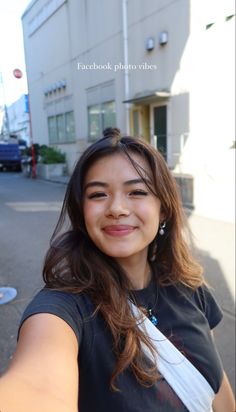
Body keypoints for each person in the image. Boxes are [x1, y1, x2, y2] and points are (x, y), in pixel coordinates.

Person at [0, 127, 235, 412]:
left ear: (162, 209)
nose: (117, 208)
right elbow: (35, 388)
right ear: (81, 211)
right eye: (98, 194)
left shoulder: (190, 287)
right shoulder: (63, 310)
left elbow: (217, 389)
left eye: (137, 191)